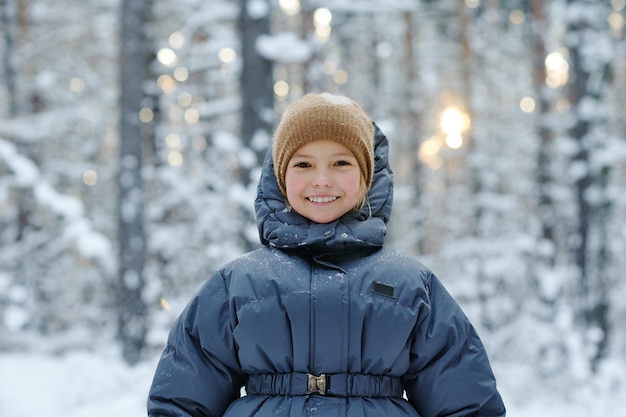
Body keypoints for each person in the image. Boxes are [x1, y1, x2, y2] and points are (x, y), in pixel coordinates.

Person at [147, 93, 506, 417]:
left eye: (341, 164)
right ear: (279, 176)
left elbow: (466, 401)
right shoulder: (238, 284)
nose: (321, 179)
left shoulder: (410, 283)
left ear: (368, 177)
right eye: (303, 165)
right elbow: (181, 399)